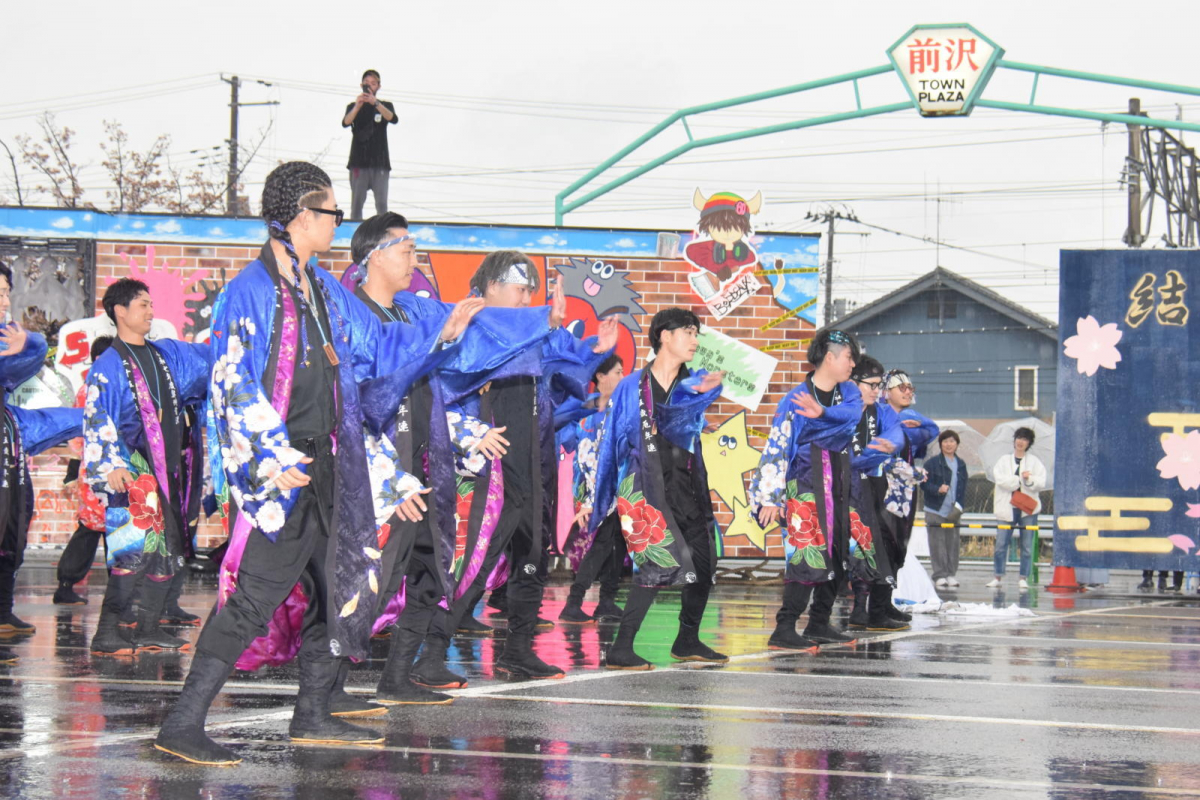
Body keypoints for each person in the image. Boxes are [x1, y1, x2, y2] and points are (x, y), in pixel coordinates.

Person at [155, 162, 458, 766]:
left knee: (336, 588)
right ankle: (181, 723)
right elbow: (232, 378)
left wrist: (441, 334)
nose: (336, 223)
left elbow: (367, 361)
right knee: (252, 598)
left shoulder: (321, 289)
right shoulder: (251, 289)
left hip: (332, 466)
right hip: (286, 469)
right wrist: (269, 455)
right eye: (330, 213)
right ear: (298, 217)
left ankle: (314, 713)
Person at [349, 213, 551, 705]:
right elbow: (363, 398)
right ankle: (329, 687)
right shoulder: (356, 316)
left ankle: (398, 676)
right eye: (406, 248)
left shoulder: (411, 316)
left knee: (429, 572)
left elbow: (434, 391)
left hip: (435, 462)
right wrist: (470, 433)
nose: (414, 258)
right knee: (372, 578)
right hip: (391, 466)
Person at [413, 251, 617, 682]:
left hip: (531, 456)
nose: (527, 298)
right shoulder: (474, 324)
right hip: (487, 461)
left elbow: (564, 363)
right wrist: (470, 434)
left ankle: (518, 650)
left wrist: (593, 351)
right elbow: (445, 390)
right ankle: (430, 653)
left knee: (530, 553)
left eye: (530, 291)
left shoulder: (530, 332)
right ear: (490, 287)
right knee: (476, 557)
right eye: (520, 288)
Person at [584, 308, 725, 670]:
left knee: (705, 564)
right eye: (688, 332)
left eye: (697, 333)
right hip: (644, 485)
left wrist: (703, 397)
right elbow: (612, 438)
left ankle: (687, 639)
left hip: (685, 482)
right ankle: (621, 647)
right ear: (664, 335)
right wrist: (601, 493)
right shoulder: (632, 385)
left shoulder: (693, 383)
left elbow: (681, 426)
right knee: (655, 563)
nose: (695, 340)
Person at [82, 282, 212, 656]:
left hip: (167, 469)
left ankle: (148, 627)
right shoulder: (108, 365)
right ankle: (107, 633)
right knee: (131, 554)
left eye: (152, 303)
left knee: (167, 551)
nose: (151, 310)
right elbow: (97, 417)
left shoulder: (163, 355)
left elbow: (207, 362)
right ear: (119, 311)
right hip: (131, 468)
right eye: (142, 304)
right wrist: (111, 465)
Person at [751, 329, 881, 650]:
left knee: (839, 550)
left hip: (839, 477)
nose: (853, 364)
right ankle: (784, 627)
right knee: (806, 551)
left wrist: (822, 413)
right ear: (830, 357)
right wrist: (770, 496)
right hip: (805, 481)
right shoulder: (795, 398)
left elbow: (851, 418)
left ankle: (819, 622)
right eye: (849, 356)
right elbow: (778, 444)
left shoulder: (848, 392)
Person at [0, 263, 83, 650]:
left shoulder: (9, 336)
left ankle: (2, 610)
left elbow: (27, 355)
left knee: (13, 528)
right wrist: (28, 347)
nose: (2, 299)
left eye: (4, 291)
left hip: (9, 438)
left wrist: (30, 344)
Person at [559, 354, 627, 624]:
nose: (623, 377)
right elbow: (588, 458)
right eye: (618, 372)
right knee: (602, 544)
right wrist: (592, 499)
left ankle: (607, 601)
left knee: (617, 542)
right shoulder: (592, 409)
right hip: (600, 490)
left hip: (616, 486)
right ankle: (574, 602)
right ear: (600, 377)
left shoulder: (614, 407)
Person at [845, 355, 906, 633]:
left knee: (884, 545)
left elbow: (896, 437)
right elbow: (845, 457)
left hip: (875, 486)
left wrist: (882, 448)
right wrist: (873, 454)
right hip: (847, 487)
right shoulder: (840, 408)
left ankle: (876, 609)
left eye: (879, 385)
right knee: (858, 547)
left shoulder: (880, 411)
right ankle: (858, 609)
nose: (875, 390)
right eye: (870, 384)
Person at [53, 335, 114, 606]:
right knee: (95, 527)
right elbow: (78, 434)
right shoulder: (91, 388)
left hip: (110, 468)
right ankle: (67, 583)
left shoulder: (109, 385)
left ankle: (115, 589)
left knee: (107, 527)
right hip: (96, 470)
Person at [874, 369, 939, 621]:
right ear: (886, 391)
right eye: (902, 387)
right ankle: (870, 606)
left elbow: (931, 431)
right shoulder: (879, 419)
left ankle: (885, 602)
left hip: (903, 495)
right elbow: (880, 457)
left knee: (897, 549)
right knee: (883, 548)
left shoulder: (907, 421)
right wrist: (912, 471)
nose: (908, 391)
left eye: (911, 387)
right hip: (883, 493)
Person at [988, 426, 1046, 590]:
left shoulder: (1034, 462)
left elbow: (1040, 483)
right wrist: (1019, 479)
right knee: (1001, 544)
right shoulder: (1004, 460)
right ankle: (997, 576)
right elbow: (1000, 479)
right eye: (1019, 438)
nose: (1021, 442)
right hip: (1007, 506)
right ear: (1014, 440)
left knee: (1027, 546)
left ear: (1029, 443)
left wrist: (1029, 479)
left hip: (1027, 509)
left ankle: (1023, 577)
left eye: (1025, 439)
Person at [342, 69, 397, 220]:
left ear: (378, 86)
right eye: (366, 84)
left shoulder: (385, 105)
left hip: (380, 163)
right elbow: (346, 122)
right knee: (356, 205)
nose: (369, 87)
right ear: (361, 85)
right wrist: (358, 105)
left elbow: (392, 118)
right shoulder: (353, 106)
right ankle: (357, 236)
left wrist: (375, 103)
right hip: (358, 163)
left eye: (373, 83)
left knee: (381, 205)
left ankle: (382, 234)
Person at [922, 430, 968, 588]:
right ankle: (939, 575)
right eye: (946, 441)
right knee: (937, 543)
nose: (949, 444)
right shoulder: (932, 463)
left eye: (952, 441)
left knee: (953, 543)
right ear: (941, 444)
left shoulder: (961, 464)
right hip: (935, 509)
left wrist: (960, 506)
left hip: (953, 510)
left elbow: (964, 486)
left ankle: (951, 574)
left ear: (957, 444)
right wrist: (937, 489)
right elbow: (923, 483)